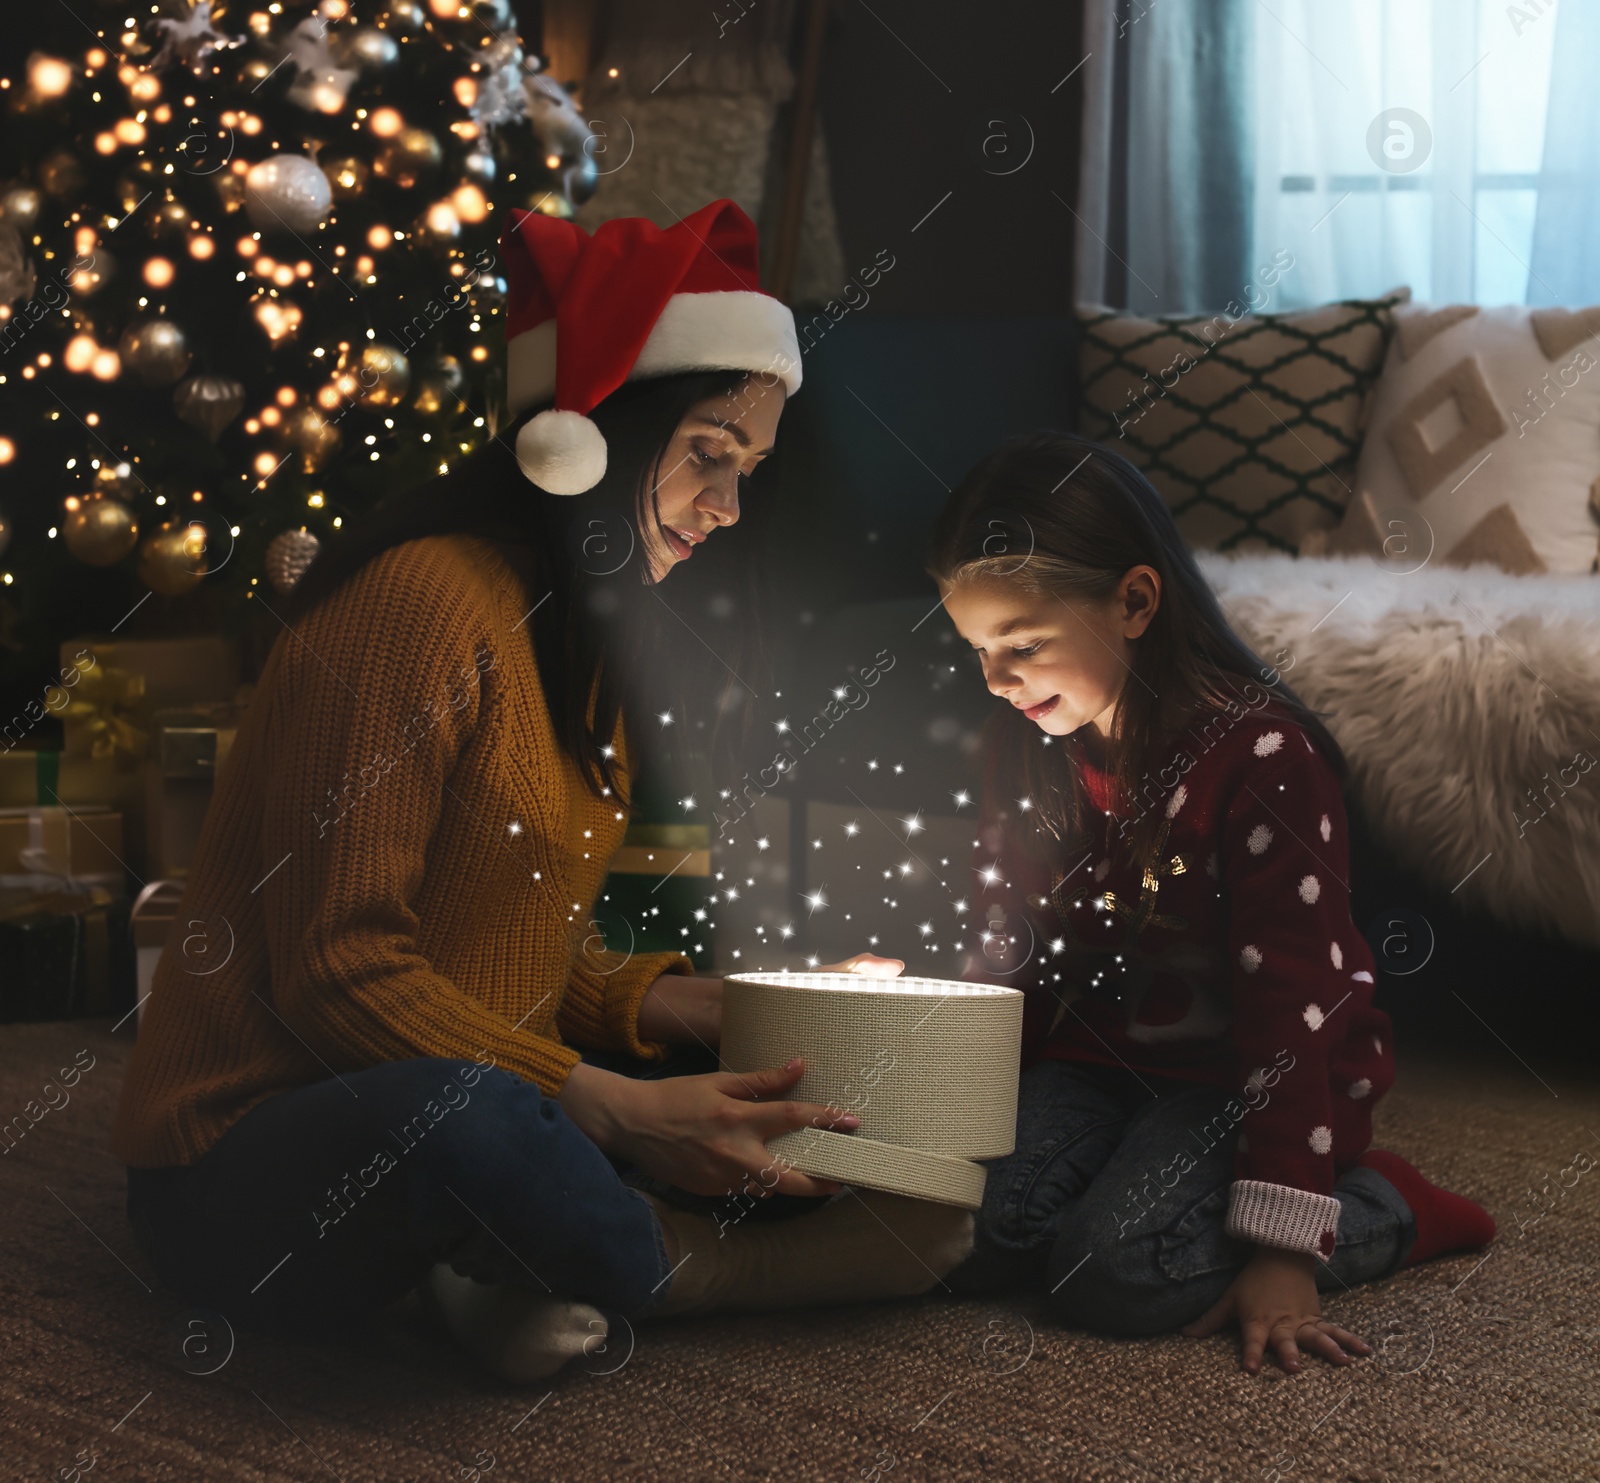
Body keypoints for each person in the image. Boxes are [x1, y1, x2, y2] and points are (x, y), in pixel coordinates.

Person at [111, 201, 972, 1384]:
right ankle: (689, 1267)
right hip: (251, 1162)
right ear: (591, 435)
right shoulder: (417, 606)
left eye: (749, 471)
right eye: (709, 454)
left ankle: (494, 1267)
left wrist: (696, 1009)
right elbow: (339, 971)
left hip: (453, 1080)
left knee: (757, 1086)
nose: (726, 508)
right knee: (472, 1120)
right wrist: (612, 1107)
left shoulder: (579, 630)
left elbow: (498, 935)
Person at [929, 431, 1494, 1375]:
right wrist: (950, 1114)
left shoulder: (1263, 761)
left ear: (1135, 600)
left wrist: (1282, 1249)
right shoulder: (1022, 749)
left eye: (1021, 644)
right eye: (979, 649)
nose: (996, 679)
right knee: (966, 1236)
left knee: (1115, 1276)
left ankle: (1383, 1205)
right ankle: (1139, 1188)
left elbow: (1292, 1005)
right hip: (1102, 1062)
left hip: (1249, 1075)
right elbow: (1010, 952)